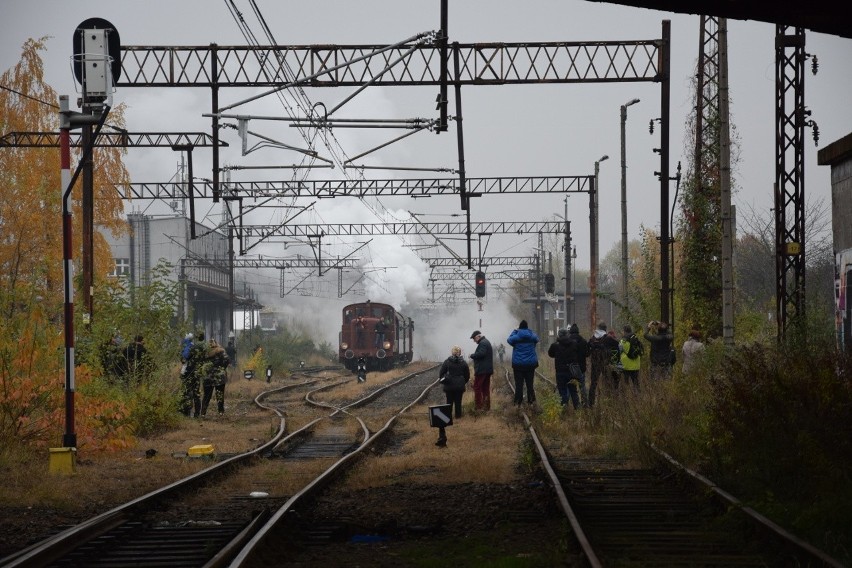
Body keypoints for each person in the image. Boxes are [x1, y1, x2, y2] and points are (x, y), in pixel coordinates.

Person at [548, 324, 589, 409]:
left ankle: (565, 408)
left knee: (562, 391)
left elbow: (550, 354)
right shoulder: (573, 344)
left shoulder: (555, 345)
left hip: (560, 372)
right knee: (573, 391)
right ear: (567, 334)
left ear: (559, 335)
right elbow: (579, 353)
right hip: (571, 371)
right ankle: (577, 408)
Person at [437, 345, 470, 446]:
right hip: (459, 385)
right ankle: (458, 416)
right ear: (460, 353)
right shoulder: (463, 362)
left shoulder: (447, 361)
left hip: (449, 385)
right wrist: (462, 381)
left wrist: (446, 379)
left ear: (452, 352)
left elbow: (441, 373)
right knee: (458, 402)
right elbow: (467, 375)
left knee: (449, 402)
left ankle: (448, 418)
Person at [507, 319, 540, 407]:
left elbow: (509, 340)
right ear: (527, 327)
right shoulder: (531, 336)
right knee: (530, 384)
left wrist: (515, 330)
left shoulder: (516, 336)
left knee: (519, 385)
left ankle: (518, 403)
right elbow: (537, 338)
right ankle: (531, 402)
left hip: (518, 365)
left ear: (519, 328)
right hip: (530, 365)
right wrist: (529, 331)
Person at [588, 322, 620, 407]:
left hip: (595, 363)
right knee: (608, 382)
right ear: (605, 329)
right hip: (605, 363)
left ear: (598, 328)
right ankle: (608, 402)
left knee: (593, 383)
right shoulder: (607, 338)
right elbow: (617, 344)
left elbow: (588, 348)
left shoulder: (592, 338)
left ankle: (591, 403)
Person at [200, 338, 229, 416]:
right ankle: (221, 412)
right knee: (220, 394)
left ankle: (203, 413)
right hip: (219, 376)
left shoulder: (205, 352)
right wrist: (222, 368)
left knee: (206, 395)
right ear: (216, 343)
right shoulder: (221, 351)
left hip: (207, 377)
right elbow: (227, 360)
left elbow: (200, 363)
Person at [180, 331, 205, 417]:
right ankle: (197, 413)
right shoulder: (200, 347)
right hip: (197, 372)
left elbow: (184, 358)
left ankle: (186, 412)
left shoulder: (189, 348)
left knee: (186, 392)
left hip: (188, 372)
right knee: (196, 393)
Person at [468, 330, 494, 412]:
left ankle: (478, 407)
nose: (474, 340)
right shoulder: (486, 342)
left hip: (482, 370)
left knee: (477, 387)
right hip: (487, 370)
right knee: (485, 388)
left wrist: (472, 355)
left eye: (474, 338)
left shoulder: (482, 343)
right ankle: (486, 407)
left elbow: (481, 354)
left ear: (478, 336)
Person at [618, 325, 642, 390]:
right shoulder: (636, 339)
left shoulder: (623, 341)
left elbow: (619, 351)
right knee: (636, 382)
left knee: (625, 383)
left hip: (626, 365)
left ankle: (626, 397)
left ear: (624, 331)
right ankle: (637, 396)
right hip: (636, 365)